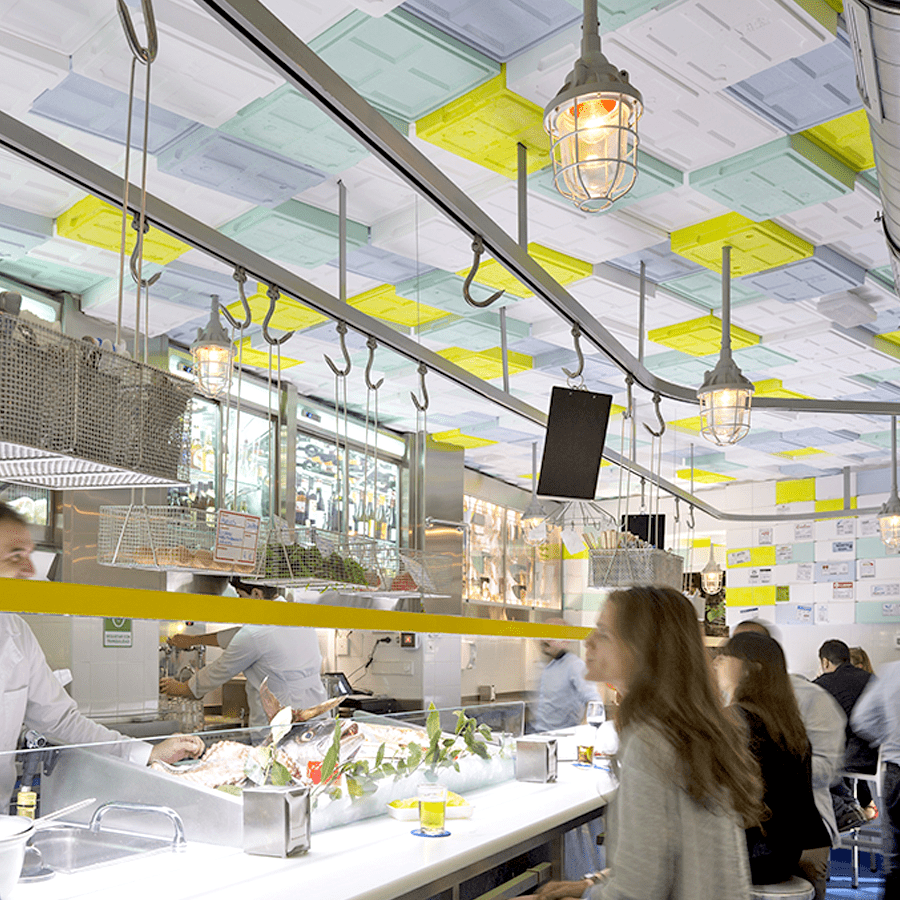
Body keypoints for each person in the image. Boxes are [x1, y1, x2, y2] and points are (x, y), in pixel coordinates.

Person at [532, 586, 760, 900]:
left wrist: (583, 896)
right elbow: (661, 862)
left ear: (641, 650)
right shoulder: (685, 730)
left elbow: (634, 894)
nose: (588, 641)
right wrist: (589, 885)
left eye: (604, 633)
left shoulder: (649, 743)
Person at [0, 502, 203, 804]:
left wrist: (147, 753)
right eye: (16, 555)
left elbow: (62, 723)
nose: (30, 571)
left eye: (30, 555)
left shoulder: (16, 634)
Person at [732, 619, 845, 897]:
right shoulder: (737, 704)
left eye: (732, 654)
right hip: (764, 834)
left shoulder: (811, 697)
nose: (720, 661)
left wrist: (771, 766)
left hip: (800, 833)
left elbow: (828, 769)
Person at [160, 577, 327, 739]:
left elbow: (222, 668)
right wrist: (195, 640)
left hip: (282, 729)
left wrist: (185, 688)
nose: (239, 602)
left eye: (240, 596)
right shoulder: (296, 614)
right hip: (317, 716)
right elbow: (240, 637)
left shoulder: (255, 634)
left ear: (257, 594)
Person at [851, 661, 900, 898]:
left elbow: (862, 719)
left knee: (896, 853)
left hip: (896, 768)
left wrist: (889, 739)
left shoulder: (892, 672)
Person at [815, 638, 878, 817]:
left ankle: (847, 812)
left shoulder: (821, 684)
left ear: (825, 662)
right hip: (879, 756)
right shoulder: (872, 679)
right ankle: (856, 808)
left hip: (849, 760)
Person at [530, 617, 602, 733]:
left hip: (562, 736)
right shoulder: (542, 665)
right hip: (538, 733)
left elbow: (594, 701)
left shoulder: (574, 665)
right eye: (543, 633)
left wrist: (584, 731)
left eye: (551, 635)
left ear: (565, 641)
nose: (545, 639)